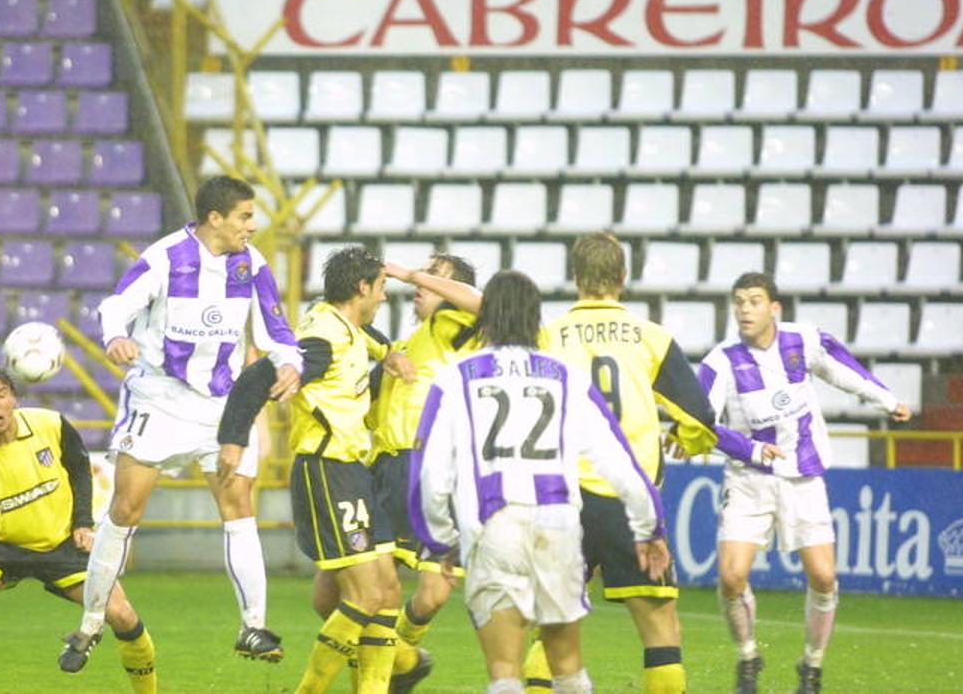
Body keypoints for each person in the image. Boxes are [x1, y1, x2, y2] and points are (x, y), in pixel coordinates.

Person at [60, 176, 303, 671]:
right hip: (161, 398)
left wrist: (291, 362)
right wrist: (114, 338)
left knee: (238, 505)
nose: (252, 227)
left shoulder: (250, 264)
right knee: (126, 506)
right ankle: (89, 623)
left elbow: (276, 329)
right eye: (244, 217)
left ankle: (253, 626)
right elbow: (115, 306)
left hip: (220, 407)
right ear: (216, 218)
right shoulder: (166, 256)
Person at [524, 232, 778, 694]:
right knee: (660, 629)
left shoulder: (547, 335)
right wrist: (687, 435)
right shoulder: (651, 337)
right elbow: (701, 413)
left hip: (560, 497)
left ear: (576, 278)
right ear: (622, 278)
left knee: (553, 631)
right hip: (628, 500)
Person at [409, 270, 673, 694]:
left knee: (504, 668)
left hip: (493, 527)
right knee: (566, 663)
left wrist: (440, 539)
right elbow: (618, 460)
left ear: (486, 317)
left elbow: (431, 472)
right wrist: (650, 527)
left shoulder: (455, 378)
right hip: (557, 525)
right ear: (536, 319)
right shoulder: (566, 375)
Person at [699, 273, 911, 694]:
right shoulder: (720, 360)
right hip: (748, 479)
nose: (744, 309)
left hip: (804, 475)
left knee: (823, 576)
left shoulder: (804, 340)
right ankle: (748, 657)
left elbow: (842, 368)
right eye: (738, 301)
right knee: (731, 576)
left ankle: (811, 667)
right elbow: (702, 422)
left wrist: (887, 400)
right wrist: (750, 450)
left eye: (754, 301)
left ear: (774, 308)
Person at [217, 246, 416, 693]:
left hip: (353, 470)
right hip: (327, 471)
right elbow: (257, 377)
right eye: (381, 288)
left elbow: (369, 338)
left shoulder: (344, 325)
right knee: (365, 596)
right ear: (362, 287)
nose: (384, 297)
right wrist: (233, 437)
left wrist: (388, 353)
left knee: (386, 592)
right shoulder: (321, 341)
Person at [0, 362, 156, 694]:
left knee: (122, 614)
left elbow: (80, 468)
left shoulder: (50, 424)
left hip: (63, 545)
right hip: (0, 547)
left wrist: (82, 521)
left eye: (1, 395)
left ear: (14, 398)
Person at [367, 255, 483, 690]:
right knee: (356, 593)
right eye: (424, 275)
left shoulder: (463, 336)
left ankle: (398, 660)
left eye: (438, 280)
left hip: (431, 473)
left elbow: (484, 304)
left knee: (433, 595)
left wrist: (412, 274)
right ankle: (393, 666)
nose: (423, 284)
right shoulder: (404, 342)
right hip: (384, 471)